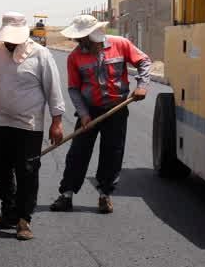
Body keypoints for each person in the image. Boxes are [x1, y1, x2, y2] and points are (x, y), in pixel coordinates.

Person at [0, 11, 66, 241]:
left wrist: (57, 122)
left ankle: (23, 219)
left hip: (28, 126)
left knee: (27, 172)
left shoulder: (40, 55)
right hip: (1, 121)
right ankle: (8, 211)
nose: (9, 42)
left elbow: (53, 90)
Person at [52, 15, 151, 214]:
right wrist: (84, 114)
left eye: (82, 38)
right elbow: (73, 89)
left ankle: (105, 195)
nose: (78, 42)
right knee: (78, 153)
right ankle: (67, 195)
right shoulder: (75, 57)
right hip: (89, 111)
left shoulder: (121, 44)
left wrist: (142, 85)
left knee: (112, 152)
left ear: (93, 35)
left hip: (117, 108)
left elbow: (144, 61)